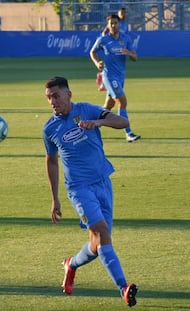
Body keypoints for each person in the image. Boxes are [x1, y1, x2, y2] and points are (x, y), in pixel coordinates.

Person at [43, 76, 138, 307]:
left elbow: (122, 122)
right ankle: (124, 288)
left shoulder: (87, 110)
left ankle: (71, 264)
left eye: (56, 95)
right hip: (79, 189)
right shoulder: (49, 128)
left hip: (103, 182)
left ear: (69, 94)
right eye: (48, 98)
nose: (52, 101)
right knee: (103, 233)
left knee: (98, 245)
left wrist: (98, 123)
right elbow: (52, 162)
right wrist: (55, 199)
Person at [90, 14, 141, 143]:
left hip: (120, 77)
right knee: (122, 102)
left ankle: (93, 125)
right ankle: (128, 133)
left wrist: (129, 53)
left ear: (119, 24)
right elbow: (92, 52)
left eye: (115, 23)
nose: (113, 25)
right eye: (111, 23)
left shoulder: (126, 39)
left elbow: (135, 57)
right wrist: (97, 63)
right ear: (108, 25)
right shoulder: (103, 39)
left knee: (108, 105)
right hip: (109, 76)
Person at [96, 7, 131, 92]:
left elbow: (124, 35)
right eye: (121, 13)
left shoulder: (125, 24)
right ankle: (102, 81)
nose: (123, 15)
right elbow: (105, 32)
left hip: (120, 45)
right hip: (111, 45)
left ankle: (101, 77)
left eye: (124, 13)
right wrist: (105, 40)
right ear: (118, 14)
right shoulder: (113, 22)